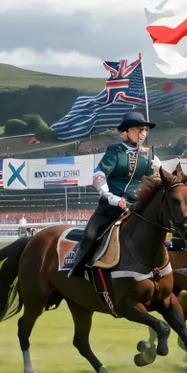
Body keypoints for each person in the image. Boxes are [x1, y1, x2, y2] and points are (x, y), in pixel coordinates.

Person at [68, 110, 160, 279]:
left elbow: (153, 182)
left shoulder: (148, 155)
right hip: (112, 205)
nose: (143, 134)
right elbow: (99, 175)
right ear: (126, 132)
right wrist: (111, 197)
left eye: (145, 130)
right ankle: (78, 271)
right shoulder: (114, 151)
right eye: (139, 129)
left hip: (138, 207)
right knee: (90, 235)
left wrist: (158, 170)